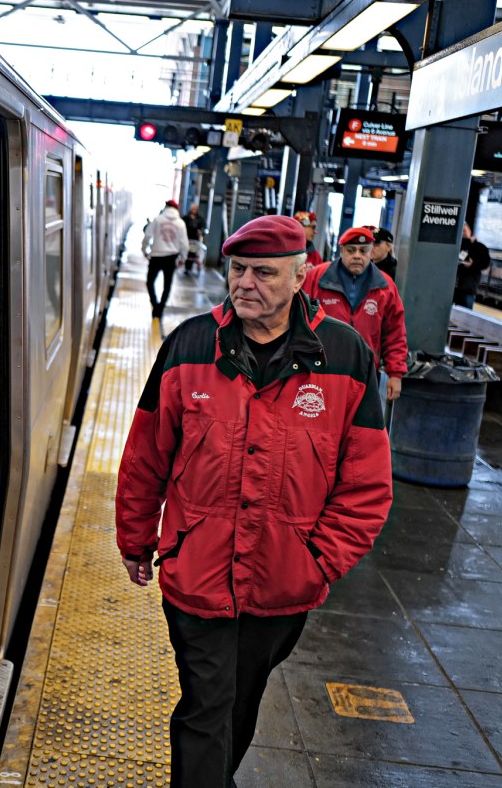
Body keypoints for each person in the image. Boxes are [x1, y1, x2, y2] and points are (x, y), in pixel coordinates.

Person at [115, 214, 392, 787]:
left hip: (283, 582)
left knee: (239, 702)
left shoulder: (345, 357)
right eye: (238, 269)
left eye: (264, 273)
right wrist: (136, 539)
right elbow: (146, 457)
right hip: (198, 569)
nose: (245, 283)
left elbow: (366, 486)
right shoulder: (189, 345)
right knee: (206, 704)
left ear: (299, 278)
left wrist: (319, 561)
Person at [302, 226, 407, 402]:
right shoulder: (317, 278)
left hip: (364, 372)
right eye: (351, 250)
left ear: (371, 252)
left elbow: (395, 333)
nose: (357, 255)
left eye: (363, 251)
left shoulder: (385, 287)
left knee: (357, 427)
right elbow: (299, 319)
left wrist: (395, 373)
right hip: (320, 368)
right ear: (341, 250)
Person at [143, 199, 189, 319]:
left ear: (166, 207)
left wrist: (144, 250)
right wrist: (183, 258)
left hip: (156, 256)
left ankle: (155, 305)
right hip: (171, 257)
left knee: (149, 282)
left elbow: (147, 235)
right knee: (167, 285)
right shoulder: (180, 223)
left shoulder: (158, 219)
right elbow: (184, 243)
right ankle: (160, 308)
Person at [454, 222, 490, 308]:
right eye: (461, 231)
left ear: (469, 230)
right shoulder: (457, 246)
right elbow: (460, 257)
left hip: (468, 287)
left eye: (464, 231)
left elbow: (485, 263)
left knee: (465, 311)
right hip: (453, 287)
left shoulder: (480, 247)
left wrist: (473, 264)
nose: (463, 233)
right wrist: (468, 243)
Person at [183, 203, 206, 276]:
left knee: (194, 253)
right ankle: (187, 268)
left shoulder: (200, 218)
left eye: (195, 209)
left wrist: (201, 231)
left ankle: (192, 267)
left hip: (196, 239)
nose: (194, 210)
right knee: (187, 253)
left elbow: (204, 227)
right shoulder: (186, 217)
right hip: (187, 238)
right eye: (193, 209)